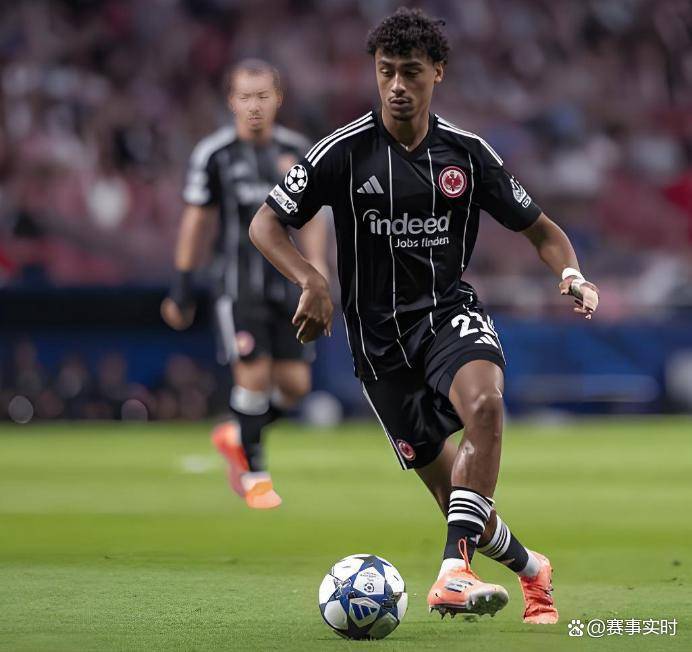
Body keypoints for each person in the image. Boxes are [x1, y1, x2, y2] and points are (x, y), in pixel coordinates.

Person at [249, 8, 599, 622]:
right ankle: (532, 569)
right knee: (456, 498)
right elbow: (266, 223)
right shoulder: (343, 152)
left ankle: (452, 574)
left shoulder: (467, 154)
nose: (396, 85)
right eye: (386, 71)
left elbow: (542, 230)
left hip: (446, 316)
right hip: (378, 347)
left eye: (410, 71)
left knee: (485, 405)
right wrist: (311, 278)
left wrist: (570, 275)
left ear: (438, 71)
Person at [162, 59, 328, 510]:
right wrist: (182, 283)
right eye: (245, 97)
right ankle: (256, 475)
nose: (254, 106)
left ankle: (237, 431)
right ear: (231, 101)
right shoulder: (214, 154)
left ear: (279, 99)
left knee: (295, 385)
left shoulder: (298, 151)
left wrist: (317, 267)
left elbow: (314, 216)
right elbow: (197, 220)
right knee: (253, 376)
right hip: (237, 287)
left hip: (287, 284)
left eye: (262, 96)